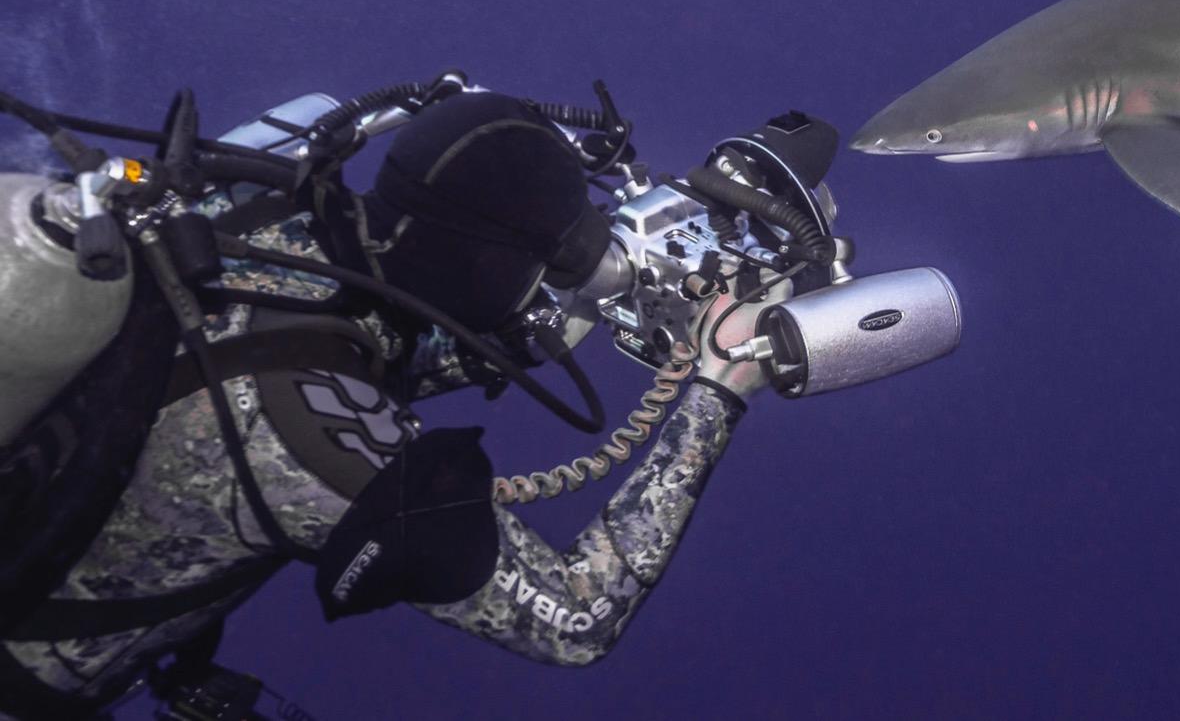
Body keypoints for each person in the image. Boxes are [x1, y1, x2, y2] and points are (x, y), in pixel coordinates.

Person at [0, 92, 779, 719]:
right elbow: (576, 618)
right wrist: (719, 381)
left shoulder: (270, 215)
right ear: (487, 265)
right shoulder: (308, 444)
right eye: (546, 260)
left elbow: (402, 316)